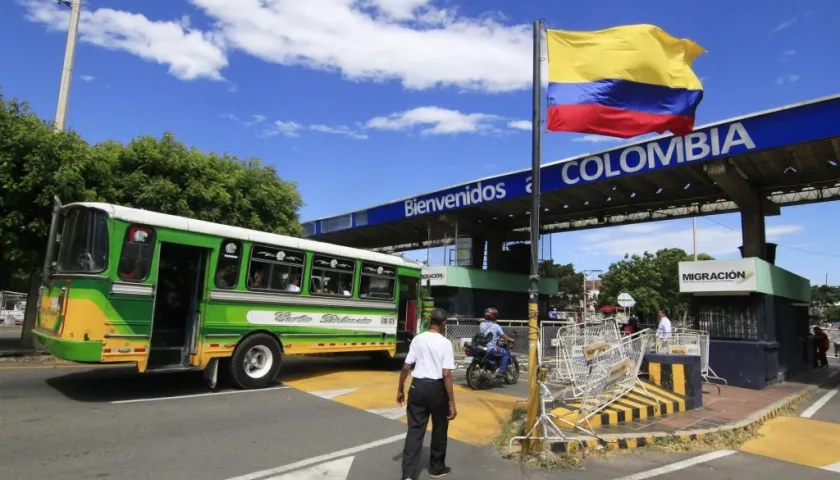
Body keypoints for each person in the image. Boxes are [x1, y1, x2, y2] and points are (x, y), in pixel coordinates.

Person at [397, 308, 456, 480]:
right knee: (439, 429)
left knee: (415, 430)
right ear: (443, 324)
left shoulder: (418, 339)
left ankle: (408, 474)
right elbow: (446, 374)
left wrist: (400, 389)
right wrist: (451, 403)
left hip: (417, 387)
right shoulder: (445, 343)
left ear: (430, 321)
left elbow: (406, 366)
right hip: (437, 389)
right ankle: (436, 468)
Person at [479, 307, 515, 378]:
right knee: (506, 353)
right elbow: (504, 336)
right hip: (491, 349)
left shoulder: (481, 324)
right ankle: (502, 372)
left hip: (483, 347)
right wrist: (510, 339)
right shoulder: (496, 326)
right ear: (493, 316)